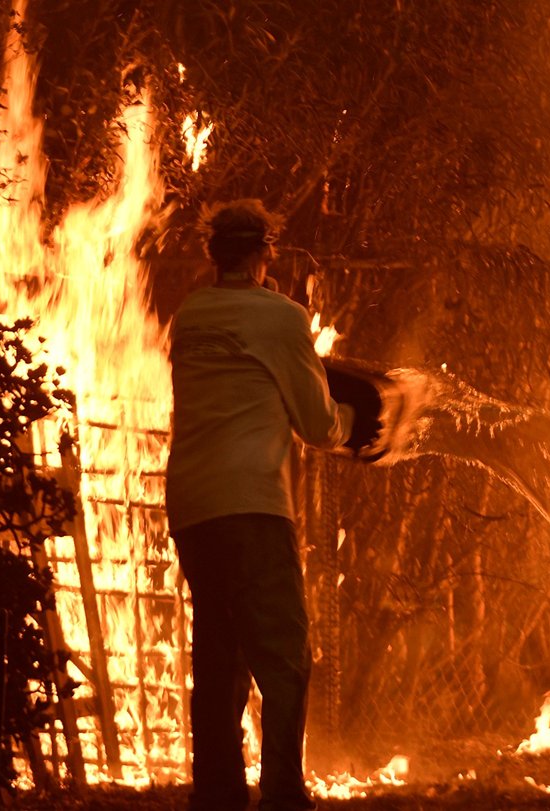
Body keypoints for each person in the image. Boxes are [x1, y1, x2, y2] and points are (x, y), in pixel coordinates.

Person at [166, 199, 354, 811]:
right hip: (252, 504)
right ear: (263, 252)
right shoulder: (281, 317)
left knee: (219, 649)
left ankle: (217, 794)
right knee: (283, 652)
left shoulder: (189, 317)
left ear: (213, 253)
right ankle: (282, 792)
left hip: (194, 504)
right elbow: (320, 425)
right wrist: (361, 416)